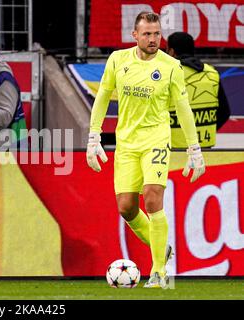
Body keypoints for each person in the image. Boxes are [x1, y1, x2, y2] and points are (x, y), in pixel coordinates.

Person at [86, 12, 206, 288]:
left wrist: (194, 149)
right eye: (147, 34)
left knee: (152, 199)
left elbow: (183, 108)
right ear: (135, 36)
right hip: (126, 143)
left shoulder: (171, 66)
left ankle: (160, 272)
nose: (153, 39)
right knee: (127, 207)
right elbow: (103, 96)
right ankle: (160, 247)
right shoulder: (118, 59)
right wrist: (94, 136)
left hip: (156, 139)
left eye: (157, 34)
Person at [167, 32, 230, 149]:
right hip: (205, 146)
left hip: (174, 147)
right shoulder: (212, 73)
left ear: (171, 51)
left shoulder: (167, 74)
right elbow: (225, 112)